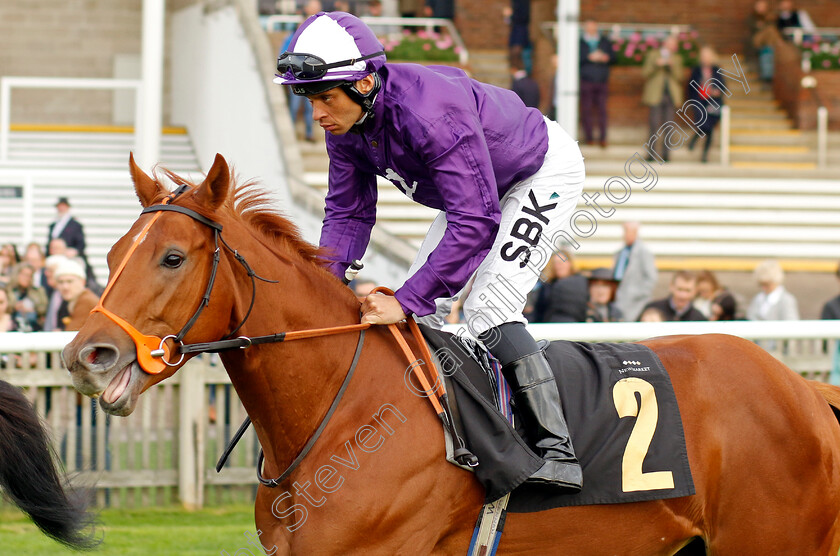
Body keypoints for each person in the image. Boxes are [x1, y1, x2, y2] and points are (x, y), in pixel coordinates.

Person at [274, 11, 587, 490]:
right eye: (309, 99)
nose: (316, 113)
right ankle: (430, 448)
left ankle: (556, 451)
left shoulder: (429, 111)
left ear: (363, 82)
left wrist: (405, 297)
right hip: (476, 194)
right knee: (417, 321)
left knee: (488, 307)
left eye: (324, 98)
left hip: (537, 173)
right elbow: (347, 214)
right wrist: (319, 285)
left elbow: (477, 221)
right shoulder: (345, 125)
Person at [281, 0, 323, 143]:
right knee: (293, 107)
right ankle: (291, 135)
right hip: (296, 79)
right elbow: (283, 56)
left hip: (310, 79)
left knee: (310, 108)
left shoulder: (314, 41)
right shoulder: (290, 39)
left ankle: (309, 133)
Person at [642, 35, 684, 162]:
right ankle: (651, 153)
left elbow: (679, 77)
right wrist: (656, 65)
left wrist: (671, 66)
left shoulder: (677, 58)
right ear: (665, 43)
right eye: (671, 43)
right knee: (654, 124)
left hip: (670, 95)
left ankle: (666, 154)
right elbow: (645, 72)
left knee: (669, 126)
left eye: (674, 44)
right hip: (656, 94)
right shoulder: (653, 55)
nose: (672, 46)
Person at [612, 221, 657, 322]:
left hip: (636, 302)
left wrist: (638, 294)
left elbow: (651, 277)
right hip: (620, 298)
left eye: (628, 232)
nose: (625, 235)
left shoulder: (643, 252)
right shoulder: (621, 252)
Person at [579, 19, 615, 147]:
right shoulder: (580, 42)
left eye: (593, 27)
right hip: (586, 79)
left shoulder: (604, 41)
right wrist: (588, 57)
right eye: (589, 27)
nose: (591, 29)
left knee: (602, 110)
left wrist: (605, 57)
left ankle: (602, 138)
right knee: (586, 109)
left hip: (601, 80)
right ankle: (589, 137)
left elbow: (613, 57)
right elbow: (576, 58)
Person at [687, 46, 725, 163]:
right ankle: (701, 151)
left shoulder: (716, 70)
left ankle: (699, 145)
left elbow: (723, 87)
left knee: (709, 128)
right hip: (699, 101)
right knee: (705, 125)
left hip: (713, 102)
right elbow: (690, 86)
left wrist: (715, 91)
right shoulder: (697, 70)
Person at [530, 251, 588, 323]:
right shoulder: (546, 286)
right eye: (555, 263)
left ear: (570, 263)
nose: (558, 266)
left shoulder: (581, 283)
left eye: (562, 262)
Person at [640, 271, 708, 322]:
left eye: (688, 290)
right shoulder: (652, 308)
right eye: (680, 289)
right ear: (671, 287)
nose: (683, 295)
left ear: (695, 291)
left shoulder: (699, 318)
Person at [53, 259, 99, 332]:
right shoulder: (74, 300)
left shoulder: (86, 301)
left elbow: (70, 335)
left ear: (83, 282)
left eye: (70, 281)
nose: (65, 287)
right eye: (61, 282)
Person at [6, 263, 48, 332]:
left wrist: (32, 309)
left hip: (34, 327)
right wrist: (14, 307)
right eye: (24, 275)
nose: (27, 278)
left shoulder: (37, 291)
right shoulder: (9, 290)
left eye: (30, 276)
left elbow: (43, 308)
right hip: (13, 327)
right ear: (17, 274)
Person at [751, 0, 780, 82]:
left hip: (768, 44)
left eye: (763, 6)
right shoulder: (753, 18)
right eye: (759, 6)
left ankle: (768, 74)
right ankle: (778, 43)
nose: (761, 8)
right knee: (770, 30)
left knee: (768, 49)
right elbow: (754, 29)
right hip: (758, 41)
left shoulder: (769, 17)